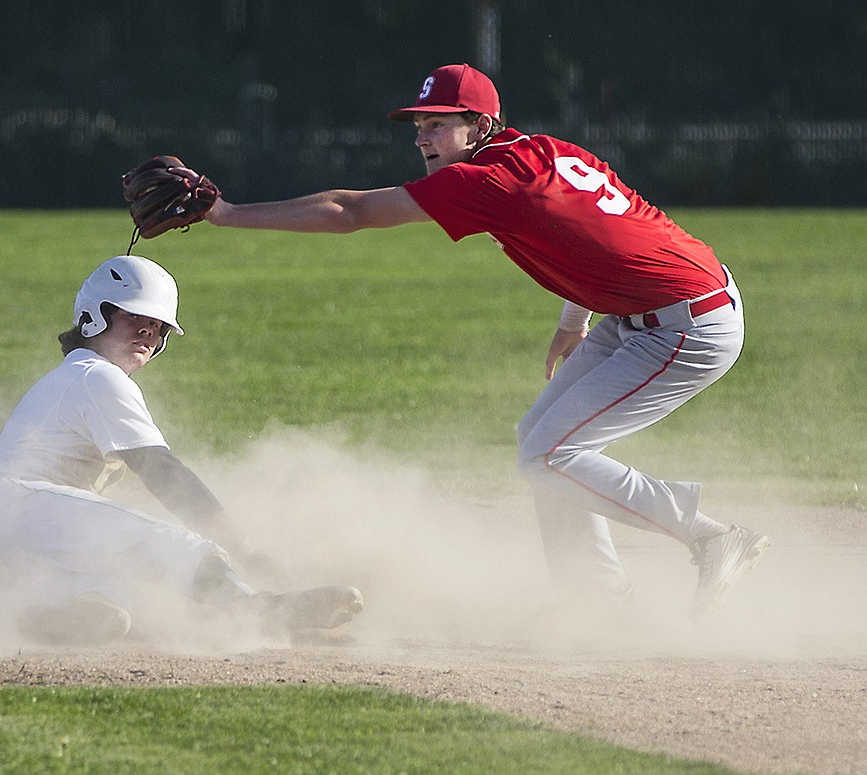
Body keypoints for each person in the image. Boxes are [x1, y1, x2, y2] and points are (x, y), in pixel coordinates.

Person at [202, 63, 768, 620]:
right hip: (653, 305)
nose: (423, 138)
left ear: (481, 124)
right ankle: (596, 603)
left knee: (551, 455)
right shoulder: (546, 151)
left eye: (438, 124)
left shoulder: (487, 182)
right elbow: (609, 236)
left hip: (688, 325)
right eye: (418, 125)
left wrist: (223, 214)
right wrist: (574, 322)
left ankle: (710, 538)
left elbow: (349, 212)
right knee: (538, 443)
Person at [0, 254, 363, 645]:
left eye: (157, 325)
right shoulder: (98, 377)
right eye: (135, 317)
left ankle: (39, 616)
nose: (148, 332)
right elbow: (160, 471)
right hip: (22, 509)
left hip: (4, 531)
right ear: (94, 316)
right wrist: (244, 549)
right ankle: (264, 612)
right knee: (181, 549)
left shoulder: (78, 377)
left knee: (122, 599)